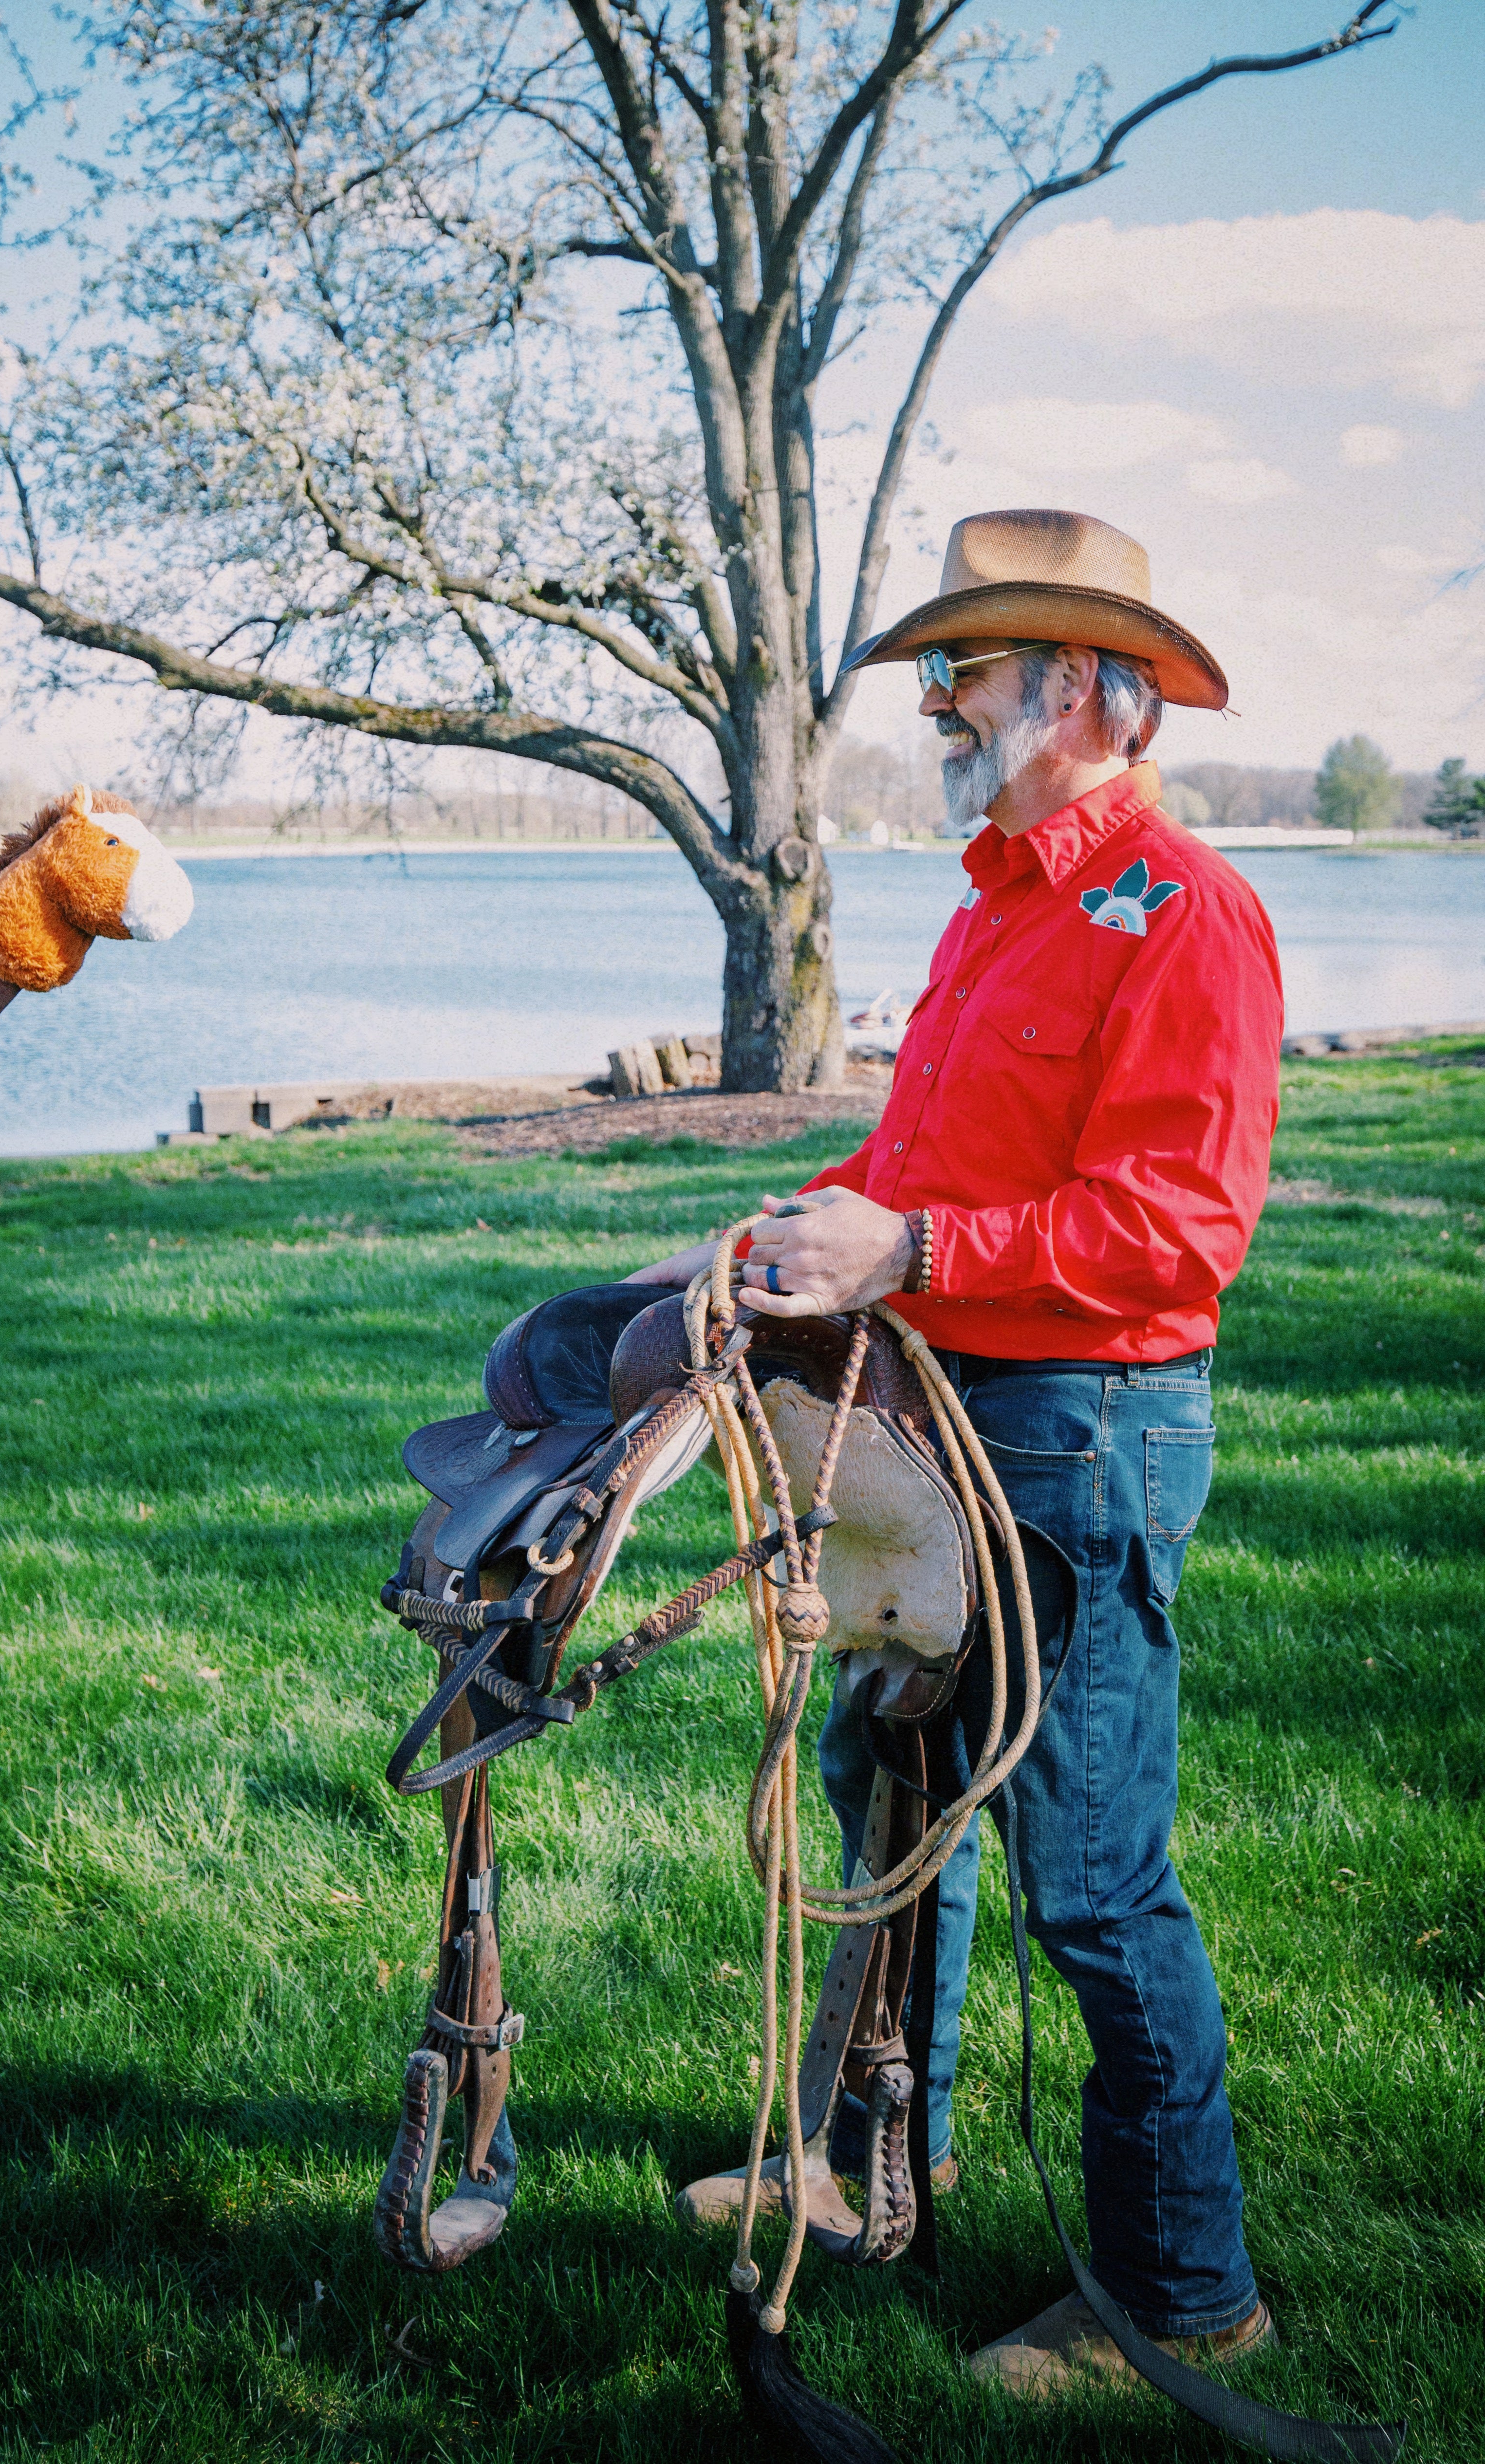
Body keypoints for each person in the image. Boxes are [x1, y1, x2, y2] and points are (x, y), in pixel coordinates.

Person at [631, 508, 1284, 2393]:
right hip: (943, 1431)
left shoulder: (1189, 917)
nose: (931, 704)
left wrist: (908, 1256)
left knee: (1092, 1874)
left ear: (1081, 687)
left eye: (963, 672)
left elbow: (1174, 1234)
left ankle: (1185, 2293)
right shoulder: (999, 903)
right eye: (937, 672)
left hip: (1083, 1443)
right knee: (887, 1791)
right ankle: (850, 2167)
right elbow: (915, 1172)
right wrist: (786, 1232)